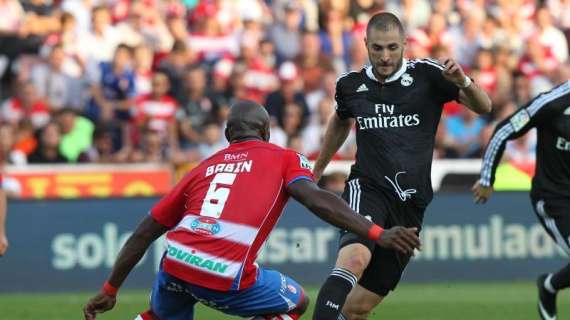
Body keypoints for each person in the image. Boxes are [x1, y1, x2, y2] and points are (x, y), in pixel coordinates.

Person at [83, 100, 421, 320]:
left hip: (176, 264)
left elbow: (143, 233)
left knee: (161, 314)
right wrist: (377, 231)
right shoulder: (283, 157)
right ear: (267, 132)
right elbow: (318, 199)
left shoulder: (202, 167)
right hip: (224, 274)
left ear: (229, 135)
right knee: (298, 302)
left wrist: (109, 290)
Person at [311, 12, 492, 320]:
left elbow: (484, 106)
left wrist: (463, 80)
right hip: (366, 188)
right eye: (378, 48)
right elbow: (340, 122)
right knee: (353, 259)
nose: (385, 56)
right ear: (366, 44)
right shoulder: (350, 85)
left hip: (411, 202)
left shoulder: (430, 75)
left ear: (405, 44)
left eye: (392, 48)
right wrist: (316, 171)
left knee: (358, 308)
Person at [473, 80, 570, 320]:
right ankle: (548, 288)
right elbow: (504, 130)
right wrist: (487, 179)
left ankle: (549, 285)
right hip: (554, 198)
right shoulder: (551, 104)